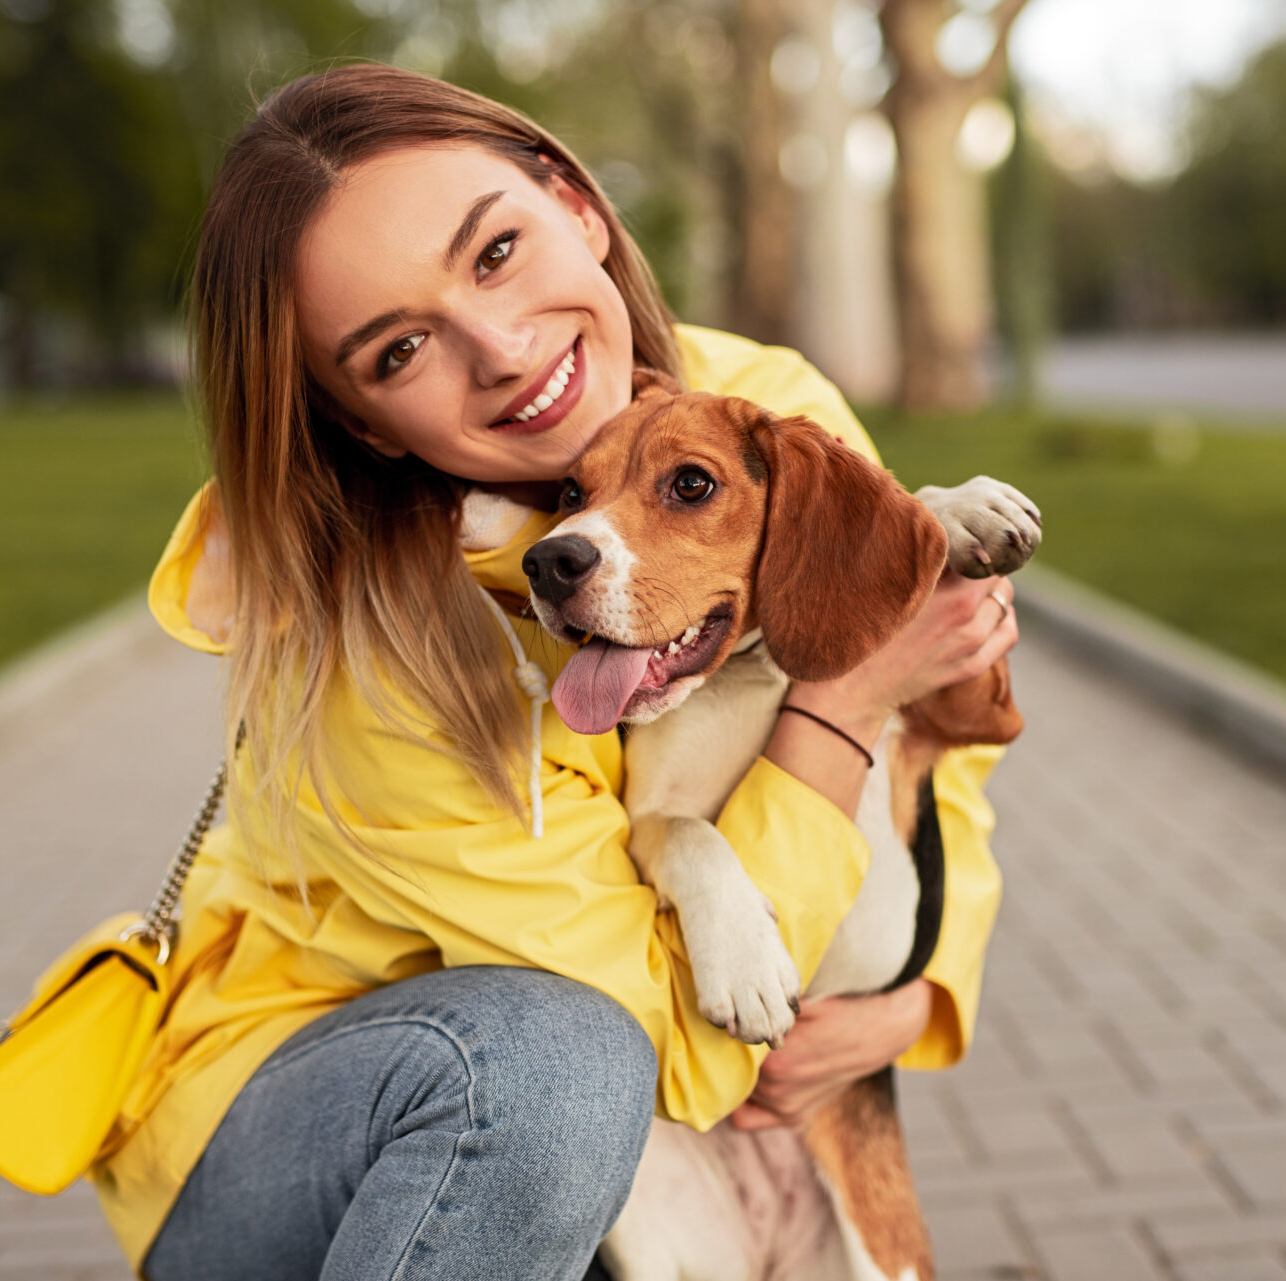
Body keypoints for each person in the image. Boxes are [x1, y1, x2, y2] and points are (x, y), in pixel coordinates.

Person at [98, 61, 1016, 1281]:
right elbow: (672, 1048)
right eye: (398, 349)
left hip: (605, 1099)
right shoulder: (363, 659)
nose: (502, 350)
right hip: (295, 1132)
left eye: (493, 253)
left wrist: (917, 998)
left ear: (575, 204)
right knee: (553, 1066)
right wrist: (844, 693)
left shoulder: (764, 404)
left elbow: (933, 770)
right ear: (364, 421)